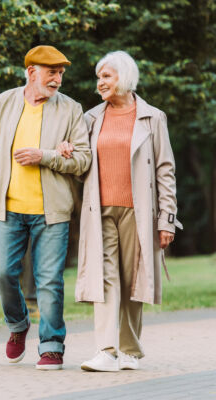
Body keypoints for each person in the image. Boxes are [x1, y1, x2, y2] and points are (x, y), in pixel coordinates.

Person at [0, 45, 91, 370]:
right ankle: (18, 324)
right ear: (31, 72)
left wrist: (47, 156)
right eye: (52, 72)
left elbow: (83, 161)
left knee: (49, 280)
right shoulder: (3, 103)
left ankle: (52, 345)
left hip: (52, 213)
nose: (58, 80)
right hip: (8, 211)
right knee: (1, 274)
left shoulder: (71, 109)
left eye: (61, 73)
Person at [70, 51, 182, 372]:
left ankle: (130, 350)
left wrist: (167, 220)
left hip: (139, 211)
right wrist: (68, 153)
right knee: (105, 278)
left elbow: (165, 170)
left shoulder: (152, 118)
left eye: (106, 76)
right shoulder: (91, 118)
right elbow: (82, 168)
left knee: (133, 279)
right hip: (100, 210)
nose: (99, 83)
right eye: (98, 77)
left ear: (125, 77)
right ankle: (106, 351)